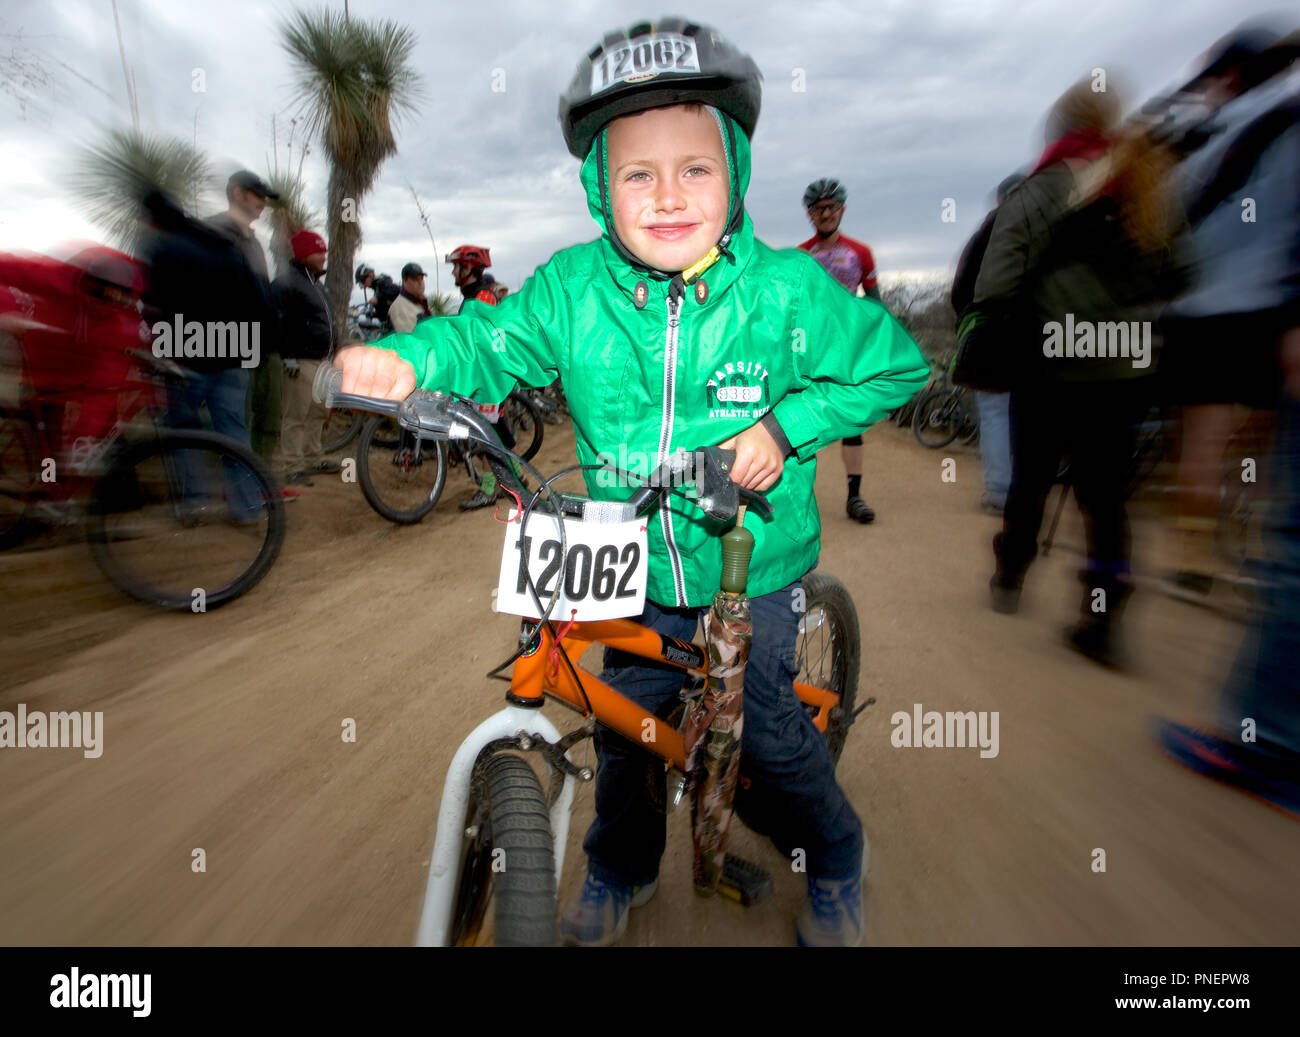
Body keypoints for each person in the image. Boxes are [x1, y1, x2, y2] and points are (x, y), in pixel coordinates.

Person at [334, 18, 929, 946]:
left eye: (694, 168)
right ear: (599, 187)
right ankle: (622, 864)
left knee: (767, 737)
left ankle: (839, 855)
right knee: (622, 726)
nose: (666, 196)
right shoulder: (573, 291)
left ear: (733, 171)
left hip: (754, 565)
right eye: (636, 174)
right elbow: (483, 343)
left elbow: (895, 366)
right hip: (631, 560)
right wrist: (408, 363)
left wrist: (787, 424)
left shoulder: (784, 292)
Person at [975, 80, 1192, 668]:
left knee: (1031, 477)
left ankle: (1011, 573)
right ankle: (1102, 618)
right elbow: (1178, 273)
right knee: (1105, 497)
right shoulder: (1148, 183)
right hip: (1124, 366)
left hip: (1049, 361)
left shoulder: (1037, 188)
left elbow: (996, 280)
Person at [1155, 24, 1300, 605]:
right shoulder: (1287, 125)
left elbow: (1164, 224)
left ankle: (1194, 554)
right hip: (1270, 304)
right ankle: (1256, 552)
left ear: (1228, 78)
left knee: (1202, 439)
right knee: (1257, 442)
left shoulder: (1198, 141)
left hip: (1197, 310)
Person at [798, 179, 882, 524]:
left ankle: (854, 496)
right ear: (810, 215)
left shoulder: (860, 253)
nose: (826, 213)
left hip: (847, 347)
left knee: (852, 425)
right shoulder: (800, 255)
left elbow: (876, 303)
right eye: (819, 209)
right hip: (811, 348)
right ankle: (800, 500)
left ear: (842, 209)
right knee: (803, 422)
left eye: (832, 206)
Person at [950, 172, 1026, 516]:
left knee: (995, 413)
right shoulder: (1043, 225)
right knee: (1027, 412)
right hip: (1040, 331)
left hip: (991, 330)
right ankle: (1025, 488)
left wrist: (967, 319)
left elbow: (962, 285)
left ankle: (999, 491)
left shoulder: (987, 231)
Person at [208, 171, 282, 473]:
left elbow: (259, 292)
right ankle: (237, 489)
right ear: (237, 193)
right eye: (257, 195)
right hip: (228, 345)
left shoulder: (253, 240)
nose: (263, 203)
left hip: (261, 344)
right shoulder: (214, 232)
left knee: (266, 414)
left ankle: (258, 480)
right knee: (236, 420)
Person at [443, 244, 521, 510]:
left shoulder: (483, 296)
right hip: (481, 376)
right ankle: (515, 477)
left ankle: (490, 489)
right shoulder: (472, 296)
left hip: (487, 377)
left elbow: (489, 337)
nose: (454, 271)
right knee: (492, 430)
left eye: (457, 266)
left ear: (470, 268)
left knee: (486, 433)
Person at [273, 230, 337, 485]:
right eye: (318, 252)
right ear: (302, 254)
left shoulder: (316, 285)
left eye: (324, 251)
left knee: (318, 413)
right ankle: (292, 467)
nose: (324, 257)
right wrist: (287, 356)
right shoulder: (286, 284)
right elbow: (277, 322)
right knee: (295, 415)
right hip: (300, 360)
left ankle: (312, 457)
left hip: (322, 361)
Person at [387, 262, 433, 334]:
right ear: (404, 281)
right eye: (415, 279)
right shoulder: (400, 307)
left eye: (421, 278)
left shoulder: (419, 303)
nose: (420, 283)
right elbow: (409, 340)